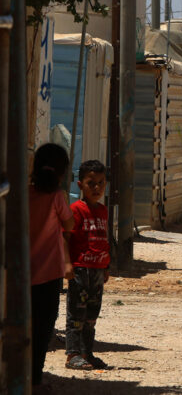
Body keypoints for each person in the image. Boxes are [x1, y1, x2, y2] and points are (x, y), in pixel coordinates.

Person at [29, 143, 74, 390]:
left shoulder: (25, 193)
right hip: (49, 274)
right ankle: (35, 375)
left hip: (23, 272)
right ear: (60, 172)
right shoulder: (57, 197)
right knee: (44, 326)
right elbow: (69, 225)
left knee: (24, 321)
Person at [65, 160, 110, 371]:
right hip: (81, 269)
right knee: (77, 313)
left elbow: (103, 239)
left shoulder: (103, 210)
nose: (97, 188)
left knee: (92, 315)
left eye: (101, 183)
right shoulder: (76, 210)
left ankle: (87, 352)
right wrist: (67, 264)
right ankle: (72, 354)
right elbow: (66, 238)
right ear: (80, 184)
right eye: (91, 183)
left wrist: (106, 266)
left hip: (98, 271)